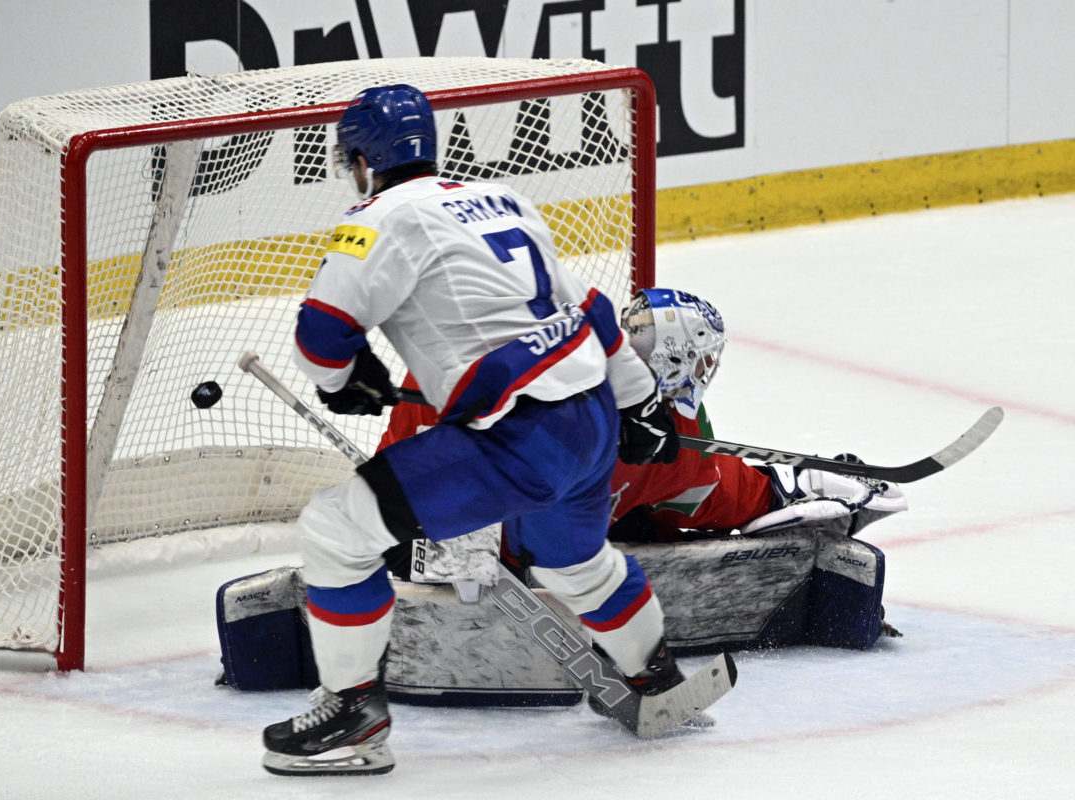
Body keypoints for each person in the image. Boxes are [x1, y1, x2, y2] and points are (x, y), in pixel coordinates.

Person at [261, 84, 683, 777]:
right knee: (573, 562)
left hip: (516, 436)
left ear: (363, 158)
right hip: (591, 417)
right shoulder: (504, 199)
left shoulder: (377, 219)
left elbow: (320, 340)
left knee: (336, 531)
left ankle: (352, 716)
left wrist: (345, 380)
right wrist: (641, 404)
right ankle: (657, 678)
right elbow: (595, 312)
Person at [382, 287, 907, 561]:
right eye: (704, 358)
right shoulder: (669, 441)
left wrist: (787, 491)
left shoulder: (673, 443)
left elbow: (720, 490)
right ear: (679, 363)